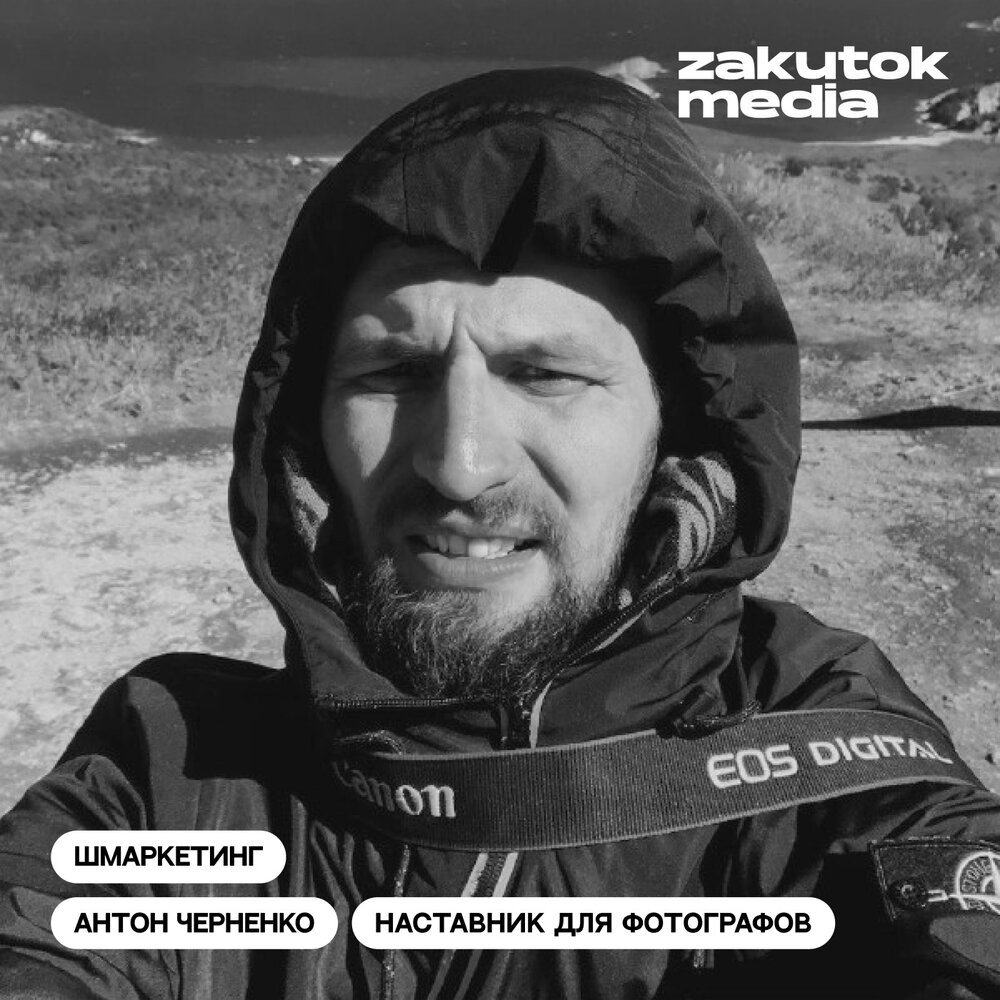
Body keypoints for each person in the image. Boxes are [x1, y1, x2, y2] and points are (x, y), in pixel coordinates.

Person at [1, 67, 998, 1000]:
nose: (460, 463)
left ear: (679, 437)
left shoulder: (830, 761)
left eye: (545, 375)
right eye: (393, 374)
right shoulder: (173, 772)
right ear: (306, 438)